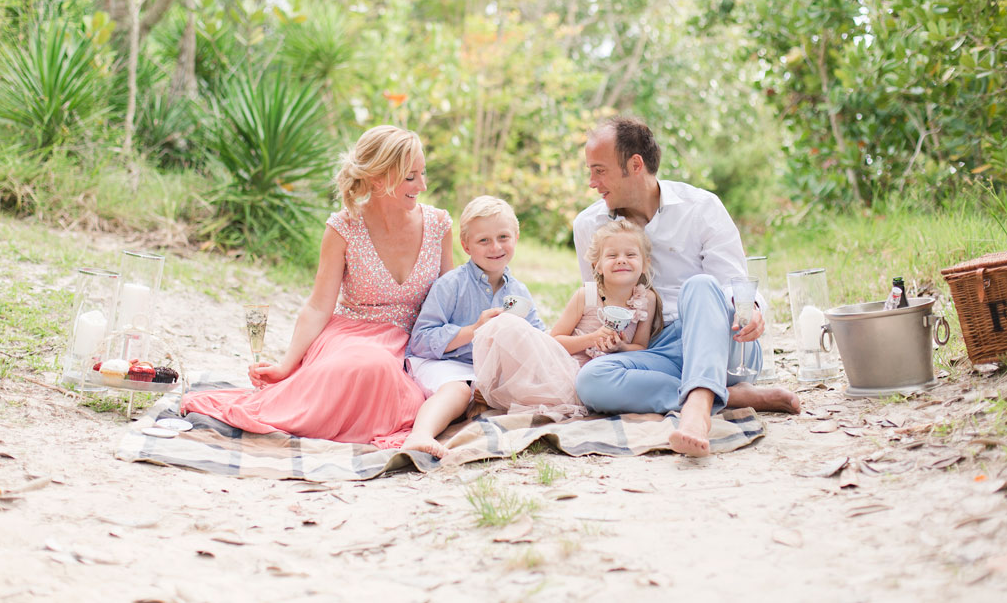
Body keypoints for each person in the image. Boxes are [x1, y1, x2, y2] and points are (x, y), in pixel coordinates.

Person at [180, 125, 453, 448]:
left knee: (396, 379)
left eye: (423, 174)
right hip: (350, 337)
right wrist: (286, 365)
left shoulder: (438, 225)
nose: (422, 185)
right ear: (379, 179)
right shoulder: (344, 227)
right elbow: (318, 306)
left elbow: (450, 300)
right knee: (370, 365)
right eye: (411, 177)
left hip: (411, 345)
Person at [573, 116, 800, 457]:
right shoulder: (589, 225)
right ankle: (725, 395)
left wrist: (750, 310)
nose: (592, 182)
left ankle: (696, 411)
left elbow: (733, 286)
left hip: (724, 343)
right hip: (653, 349)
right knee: (591, 381)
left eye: (599, 170)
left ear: (635, 165)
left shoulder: (702, 208)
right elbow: (598, 301)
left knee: (701, 285)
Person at [471, 219, 659, 420]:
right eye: (612, 255)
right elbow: (555, 341)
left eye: (630, 255)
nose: (621, 260)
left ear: (645, 264)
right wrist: (592, 339)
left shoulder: (647, 299)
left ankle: (504, 393)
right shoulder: (586, 295)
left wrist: (620, 348)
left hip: (603, 377)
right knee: (509, 326)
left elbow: (641, 347)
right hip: (564, 370)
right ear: (598, 266)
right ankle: (494, 389)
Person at [402, 196, 544, 458]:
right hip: (444, 363)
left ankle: (480, 401)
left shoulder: (518, 292)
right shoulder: (451, 284)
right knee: (459, 389)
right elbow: (420, 340)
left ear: (516, 237)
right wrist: (473, 329)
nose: (495, 247)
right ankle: (420, 434)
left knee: (529, 384)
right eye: (483, 240)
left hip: (483, 369)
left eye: (503, 237)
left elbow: (538, 338)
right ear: (466, 245)